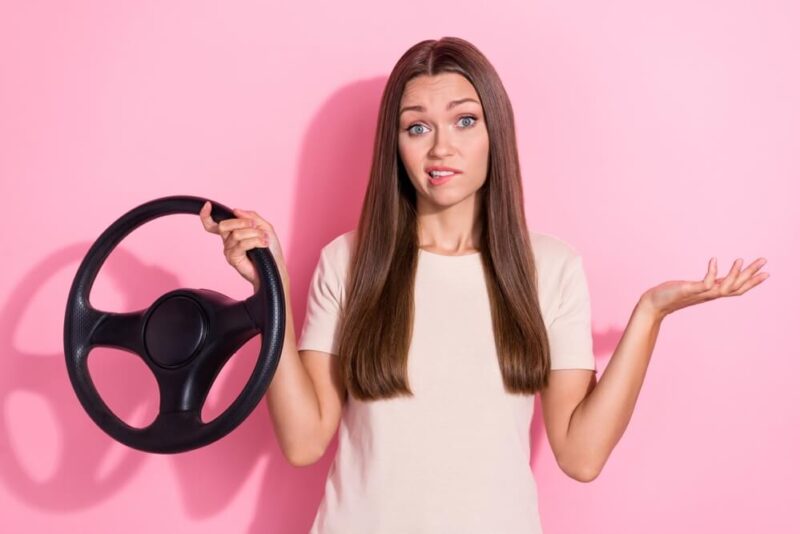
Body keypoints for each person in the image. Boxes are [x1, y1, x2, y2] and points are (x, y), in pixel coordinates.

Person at [198, 36, 769, 534]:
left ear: (495, 130)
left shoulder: (550, 267)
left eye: (464, 120)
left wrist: (650, 314)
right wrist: (269, 289)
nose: (441, 147)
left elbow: (581, 454)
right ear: (395, 146)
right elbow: (303, 443)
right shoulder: (348, 261)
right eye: (417, 126)